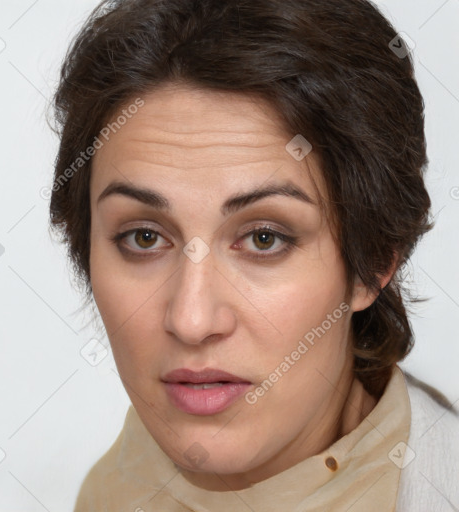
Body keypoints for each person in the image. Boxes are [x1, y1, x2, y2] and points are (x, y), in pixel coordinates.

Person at [47, 0, 459, 510]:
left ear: (373, 261)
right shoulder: (112, 491)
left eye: (265, 238)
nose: (192, 320)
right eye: (145, 238)